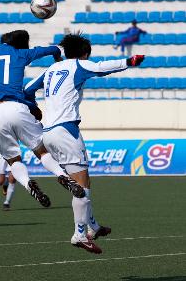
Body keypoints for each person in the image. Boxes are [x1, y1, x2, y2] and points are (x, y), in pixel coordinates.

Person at [24, 33, 145, 254]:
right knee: (82, 186)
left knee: (81, 183)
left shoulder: (49, 70)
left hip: (48, 133)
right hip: (66, 131)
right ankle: (79, 234)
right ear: (84, 53)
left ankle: (93, 227)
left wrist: (35, 109)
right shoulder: (78, 65)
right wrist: (129, 61)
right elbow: (101, 68)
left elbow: (27, 90)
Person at [0, 30, 85, 209]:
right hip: (17, 108)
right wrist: (57, 58)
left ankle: (28, 184)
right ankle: (62, 176)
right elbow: (52, 49)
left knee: (13, 160)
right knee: (42, 151)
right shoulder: (21, 53)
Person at [0, 142, 16, 211]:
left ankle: (7, 203)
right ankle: (5, 184)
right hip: (0, 154)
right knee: (0, 181)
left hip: (13, 154)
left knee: (12, 178)